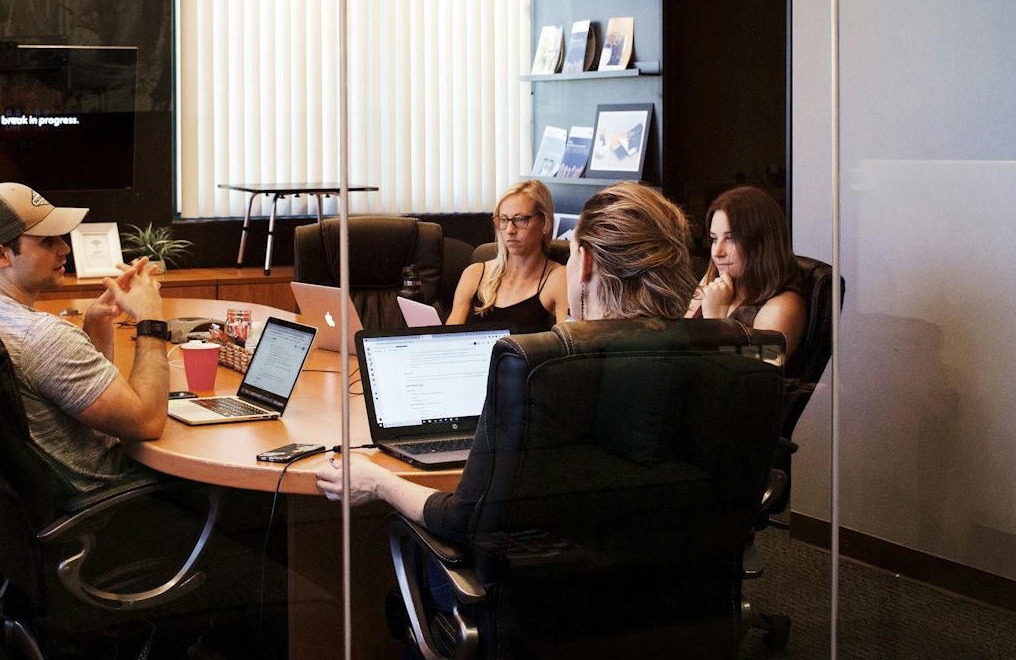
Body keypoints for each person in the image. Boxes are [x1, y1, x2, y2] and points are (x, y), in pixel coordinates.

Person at [319, 180, 696, 531]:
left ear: (587, 264)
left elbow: (463, 516)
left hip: (539, 586)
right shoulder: (720, 360)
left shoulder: (538, 376)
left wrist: (380, 482)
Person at [0, 181, 172, 494]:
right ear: (0, 255)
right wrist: (151, 319)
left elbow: (78, 393)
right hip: (109, 496)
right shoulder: (42, 337)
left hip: (41, 497)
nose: (64, 248)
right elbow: (146, 423)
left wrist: (97, 322)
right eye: (47, 241)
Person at [688, 185, 806, 358]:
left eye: (731, 238)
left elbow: (752, 375)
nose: (717, 252)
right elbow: (679, 344)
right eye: (714, 239)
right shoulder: (714, 279)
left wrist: (715, 320)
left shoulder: (784, 305)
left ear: (760, 242)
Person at [446, 179, 569, 328]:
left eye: (520, 219)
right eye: (503, 220)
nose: (510, 230)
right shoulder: (474, 274)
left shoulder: (559, 278)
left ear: (544, 223)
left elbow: (570, 345)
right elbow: (449, 339)